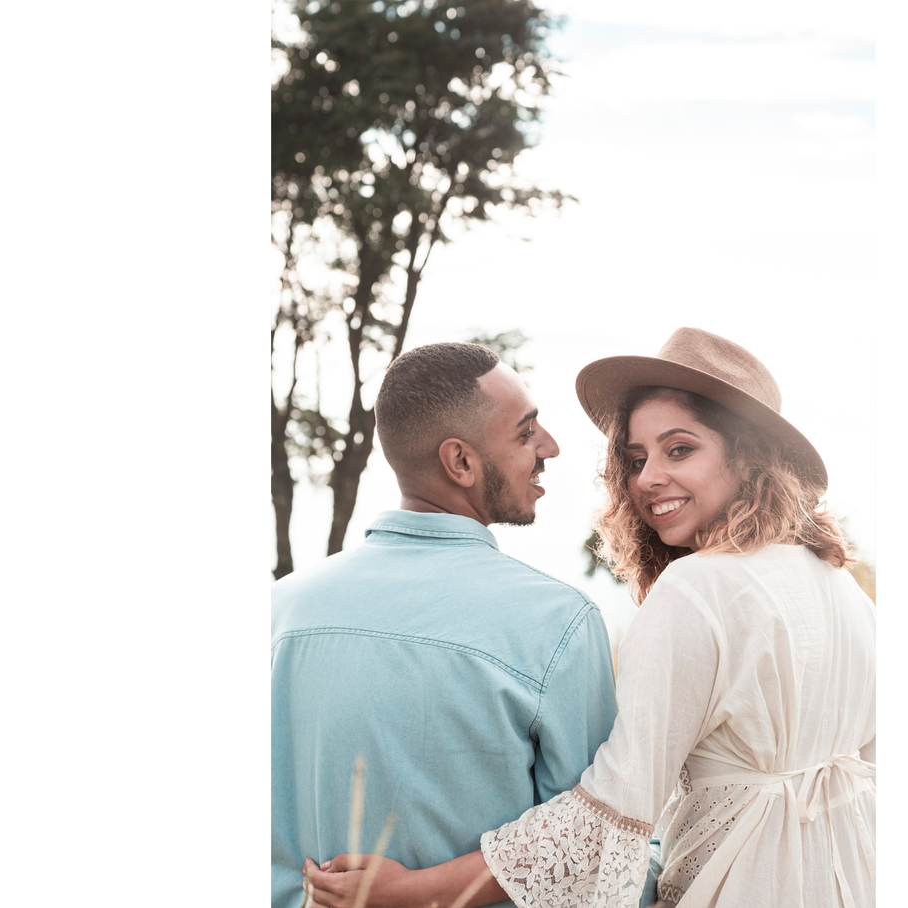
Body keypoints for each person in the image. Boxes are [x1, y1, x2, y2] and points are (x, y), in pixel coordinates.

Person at [304, 327, 876, 908]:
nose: (647, 478)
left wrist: (415, 891)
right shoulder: (844, 591)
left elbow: (612, 815)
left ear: (749, 457)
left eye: (679, 449)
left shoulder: (696, 588)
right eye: (634, 458)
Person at [272, 342, 623, 908]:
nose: (550, 447)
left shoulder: (277, 611)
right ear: (460, 462)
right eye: (526, 432)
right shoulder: (556, 623)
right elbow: (594, 862)